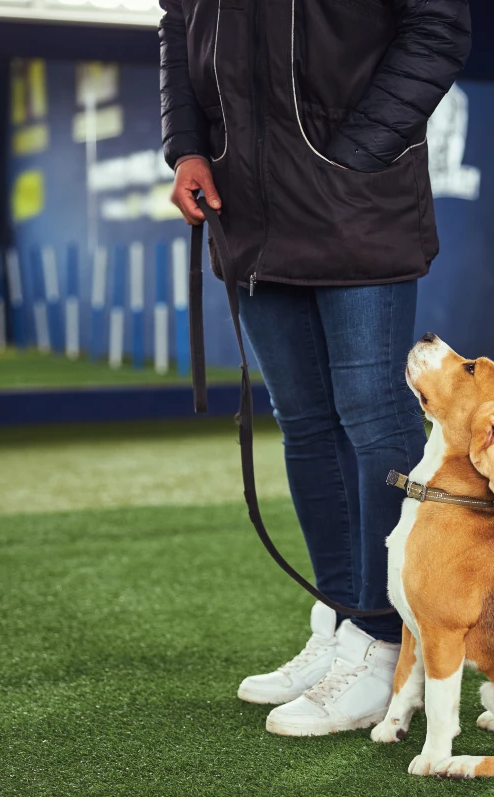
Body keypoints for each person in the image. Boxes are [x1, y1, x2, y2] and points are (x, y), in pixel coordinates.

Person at [158, 0, 472, 736]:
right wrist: (187, 148)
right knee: (303, 419)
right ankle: (341, 622)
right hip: (250, 209)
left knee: (373, 417)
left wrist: (353, 156)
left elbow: (439, 27)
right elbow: (177, 26)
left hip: (355, 202)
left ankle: (385, 641)